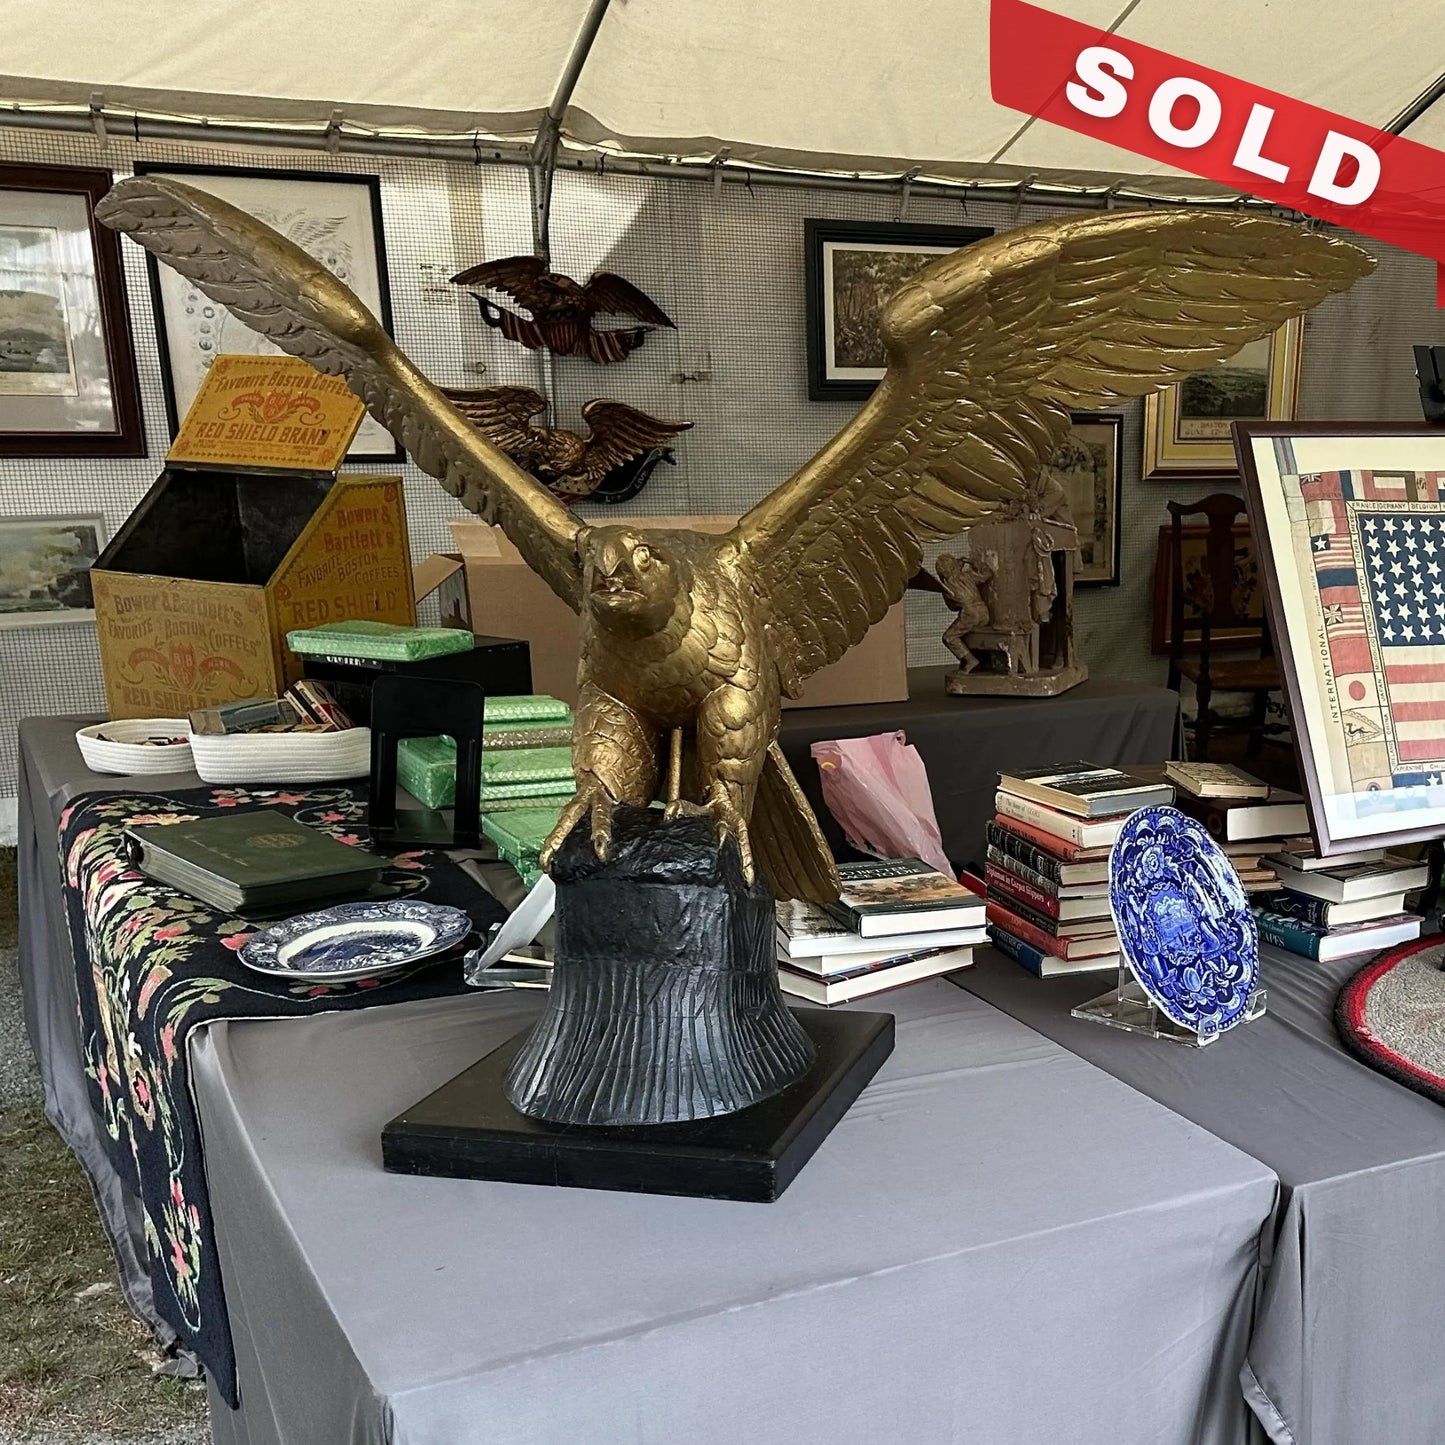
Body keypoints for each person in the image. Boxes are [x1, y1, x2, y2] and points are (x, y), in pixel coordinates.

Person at [936, 550, 995, 674]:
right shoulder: (968, 575)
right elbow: (987, 573)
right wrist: (973, 563)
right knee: (966, 633)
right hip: (984, 612)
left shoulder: (947, 587)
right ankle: (980, 663)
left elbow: (953, 607)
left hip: (970, 614)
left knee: (949, 637)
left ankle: (970, 660)